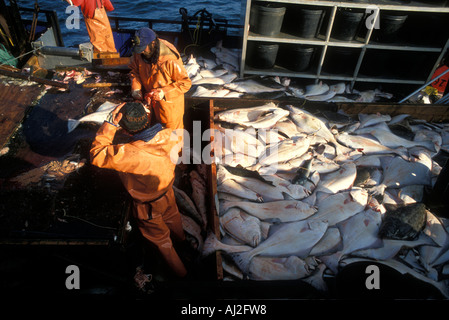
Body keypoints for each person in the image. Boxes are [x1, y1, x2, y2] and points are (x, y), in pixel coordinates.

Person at [89, 101, 188, 288]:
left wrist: (109, 125)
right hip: (167, 193)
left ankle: (182, 275)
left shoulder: (128, 153)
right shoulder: (170, 135)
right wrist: (160, 103)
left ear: (125, 132)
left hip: (148, 206)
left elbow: (96, 154)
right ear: (147, 117)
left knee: (162, 242)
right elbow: (172, 122)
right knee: (173, 218)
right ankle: (183, 242)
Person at [129, 27, 192, 131]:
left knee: (173, 137)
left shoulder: (170, 60)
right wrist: (135, 88)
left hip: (169, 106)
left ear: (153, 43)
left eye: (143, 49)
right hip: (150, 100)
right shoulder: (139, 52)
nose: (141, 52)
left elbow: (185, 83)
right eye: (139, 49)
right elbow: (134, 70)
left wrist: (164, 92)